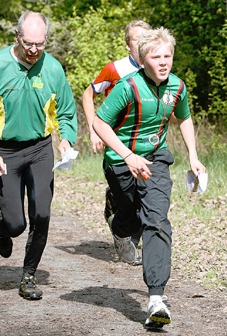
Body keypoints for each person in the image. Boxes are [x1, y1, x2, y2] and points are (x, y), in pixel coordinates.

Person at [93, 27, 206, 329]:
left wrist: (193, 156)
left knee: (156, 219)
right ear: (143, 60)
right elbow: (99, 122)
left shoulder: (177, 87)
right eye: (156, 56)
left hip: (155, 160)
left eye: (168, 55)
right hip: (121, 161)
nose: (164, 61)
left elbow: (183, 118)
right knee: (129, 217)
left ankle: (156, 298)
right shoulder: (127, 87)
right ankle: (119, 230)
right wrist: (128, 156)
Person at [0, 11, 77, 300]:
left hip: (40, 149)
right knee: (17, 225)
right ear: (17, 37)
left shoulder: (53, 68)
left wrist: (66, 139)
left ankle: (28, 276)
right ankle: (3, 224)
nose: (33, 51)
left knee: (41, 213)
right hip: (4, 152)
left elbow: (66, 111)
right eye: (28, 43)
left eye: (40, 44)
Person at [82, 20, 152, 265]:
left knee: (148, 200)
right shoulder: (114, 69)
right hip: (117, 143)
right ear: (127, 45)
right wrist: (93, 130)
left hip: (146, 145)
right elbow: (88, 94)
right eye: (136, 39)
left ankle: (128, 237)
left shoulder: (156, 68)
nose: (141, 43)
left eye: (146, 38)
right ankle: (119, 210)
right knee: (130, 204)